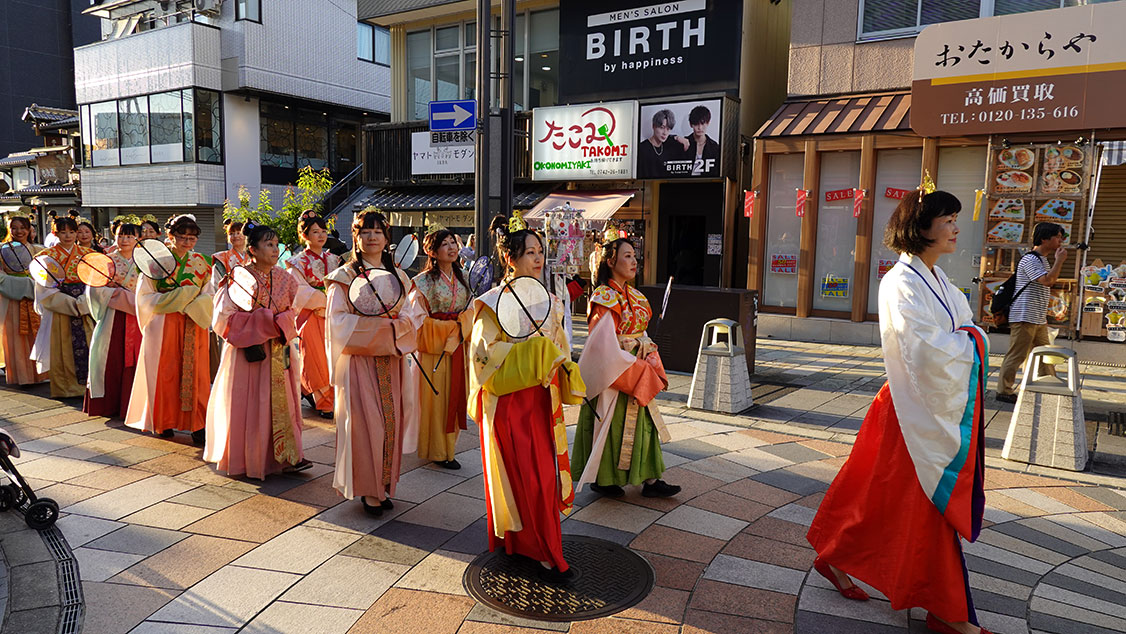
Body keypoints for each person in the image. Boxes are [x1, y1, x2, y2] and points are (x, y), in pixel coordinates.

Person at [806, 190, 992, 634]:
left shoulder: (938, 279)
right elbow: (925, 348)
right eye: (948, 219)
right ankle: (947, 613)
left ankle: (835, 558)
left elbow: (959, 330)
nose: (955, 227)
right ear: (922, 226)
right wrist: (972, 341)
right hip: (911, 408)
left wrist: (968, 338)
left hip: (921, 405)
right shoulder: (900, 281)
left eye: (953, 218)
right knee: (922, 505)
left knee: (880, 497)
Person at [470, 214, 586, 583]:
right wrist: (531, 354)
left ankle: (540, 545)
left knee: (542, 477)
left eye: (540, 252)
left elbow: (560, 348)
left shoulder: (553, 302)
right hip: (508, 400)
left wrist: (562, 365)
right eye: (529, 252)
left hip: (541, 399)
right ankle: (538, 549)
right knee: (523, 475)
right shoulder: (490, 303)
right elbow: (482, 356)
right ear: (510, 258)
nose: (537, 259)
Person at [325, 210, 422, 515]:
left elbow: (412, 313)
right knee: (367, 425)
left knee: (391, 421)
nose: (371, 238)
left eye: (377, 232)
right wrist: (385, 329)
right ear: (355, 236)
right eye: (364, 232)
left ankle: (384, 485)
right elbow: (337, 322)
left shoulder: (400, 277)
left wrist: (399, 325)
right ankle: (368, 490)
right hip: (359, 362)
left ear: (386, 237)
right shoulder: (344, 277)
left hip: (390, 361)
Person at [571, 236, 680, 499]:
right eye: (627, 256)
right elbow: (601, 345)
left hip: (637, 363)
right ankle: (605, 479)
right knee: (613, 423)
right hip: (616, 369)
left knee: (644, 422)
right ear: (611, 261)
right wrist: (631, 365)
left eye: (634, 256)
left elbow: (640, 332)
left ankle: (650, 479)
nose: (634, 261)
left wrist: (648, 354)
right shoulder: (604, 296)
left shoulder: (635, 295)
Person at [206, 223, 311, 479]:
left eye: (276, 244)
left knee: (282, 401)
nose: (275, 250)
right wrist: (266, 321)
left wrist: (280, 322)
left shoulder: (286, 278)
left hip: (278, 348)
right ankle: (251, 458)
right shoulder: (236, 278)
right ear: (252, 249)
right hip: (249, 351)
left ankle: (287, 455)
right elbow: (223, 319)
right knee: (251, 402)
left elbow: (293, 311)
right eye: (268, 244)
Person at [124, 214, 213, 444]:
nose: (187, 242)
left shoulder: (203, 263)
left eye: (191, 238)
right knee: (165, 372)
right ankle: (163, 421)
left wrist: (192, 303)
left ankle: (198, 424)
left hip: (193, 320)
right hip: (164, 323)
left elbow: (210, 294)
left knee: (198, 376)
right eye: (181, 237)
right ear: (170, 237)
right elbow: (144, 296)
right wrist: (178, 298)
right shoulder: (156, 262)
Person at [408, 229, 473, 469]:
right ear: (432, 252)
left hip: (457, 346)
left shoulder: (464, 277)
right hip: (435, 349)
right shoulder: (423, 282)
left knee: (455, 396)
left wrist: (461, 327)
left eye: (453, 242)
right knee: (435, 400)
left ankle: (449, 448)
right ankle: (436, 450)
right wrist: (449, 330)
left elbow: (471, 311)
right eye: (444, 244)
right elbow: (416, 319)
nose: (452, 248)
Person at [995, 222, 1068, 404]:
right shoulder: (1030, 260)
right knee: (1017, 355)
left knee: (1044, 353)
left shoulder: (1042, 259)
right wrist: (1060, 261)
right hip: (1024, 315)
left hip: (1037, 317)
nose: (1060, 241)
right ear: (1044, 238)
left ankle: (1048, 385)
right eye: (1058, 237)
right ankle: (1003, 390)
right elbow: (1047, 280)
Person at [30, 216, 95, 397]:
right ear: (55, 233)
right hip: (61, 306)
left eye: (72, 232)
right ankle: (65, 388)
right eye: (63, 232)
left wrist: (84, 300)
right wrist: (71, 304)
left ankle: (88, 385)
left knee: (90, 344)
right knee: (62, 347)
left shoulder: (87, 254)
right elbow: (43, 288)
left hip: (84, 303)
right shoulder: (46, 258)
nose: (68, 236)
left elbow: (94, 281)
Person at [285, 211, 342, 419]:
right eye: (315, 231)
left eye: (323, 231)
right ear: (304, 235)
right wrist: (326, 301)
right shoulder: (297, 262)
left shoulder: (335, 260)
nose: (321, 235)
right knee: (317, 359)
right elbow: (299, 292)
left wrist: (333, 303)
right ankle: (324, 401)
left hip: (334, 315)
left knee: (334, 358)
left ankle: (326, 395)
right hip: (312, 316)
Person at [83, 223, 142, 418]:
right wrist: (119, 296)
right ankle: (109, 405)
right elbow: (94, 289)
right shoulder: (107, 261)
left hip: (140, 317)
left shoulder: (145, 262)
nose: (124, 240)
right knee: (109, 358)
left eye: (129, 236)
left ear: (138, 239)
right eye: (120, 236)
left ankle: (134, 404)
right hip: (113, 317)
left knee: (138, 360)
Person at [0, 214, 46, 385]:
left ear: (29, 229)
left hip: (35, 298)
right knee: (15, 336)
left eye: (22, 228)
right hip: (12, 299)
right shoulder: (2, 250)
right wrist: (21, 284)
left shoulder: (38, 250)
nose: (18, 231)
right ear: (9, 230)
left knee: (38, 334)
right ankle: (21, 376)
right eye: (14, 228)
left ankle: (41, 373)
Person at [637, 109, 688, 179]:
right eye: (662, 128)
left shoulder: (668, 145)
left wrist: (677, 137)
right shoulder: (642, 148)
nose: (665, 133)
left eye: (668, 129)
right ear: (653, 126)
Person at [685, 105, 720, 177]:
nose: (700, 128)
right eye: (696, 124)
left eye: (703, 123)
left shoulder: (714, 147)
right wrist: (676, 138)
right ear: (691, 124)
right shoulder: (684, 143)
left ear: (708, 123)